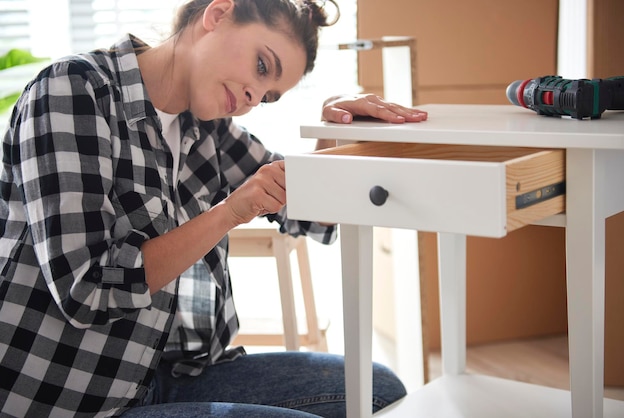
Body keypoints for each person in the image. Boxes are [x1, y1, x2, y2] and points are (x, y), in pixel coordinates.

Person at [0, 0, 428, 416]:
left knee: (378, 390)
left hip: (166, 375)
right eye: (262, 66)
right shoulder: (73, 88)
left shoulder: (210, 131)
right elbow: (86, 289)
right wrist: (229, 212)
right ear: (218, 14)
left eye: (268, 96)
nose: (252, 96)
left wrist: (334, 136)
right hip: (73, 400)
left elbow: (310, 212)